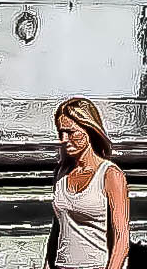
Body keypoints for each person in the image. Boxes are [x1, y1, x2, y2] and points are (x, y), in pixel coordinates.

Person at [49, 98, 130, 269]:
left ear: (89, 130)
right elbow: (57, 231)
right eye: (60, 132)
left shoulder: (110, 175)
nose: (63, 139)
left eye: (70, 132)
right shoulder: (61, 174)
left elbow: (122, 238)